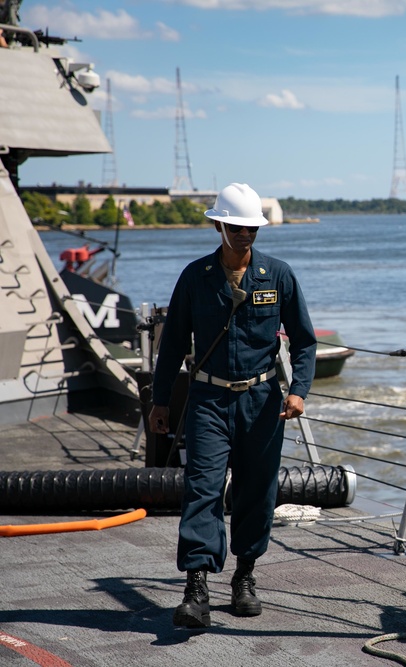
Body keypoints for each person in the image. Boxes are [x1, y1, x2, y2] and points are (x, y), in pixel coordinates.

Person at [148, 183, 317, 628]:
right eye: (238, 227)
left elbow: (304, 341)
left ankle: (244, 576)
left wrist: (299, 390)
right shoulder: (194, 277)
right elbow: (171, 348)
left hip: (262, 403)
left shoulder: (278, 276)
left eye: (252, 228)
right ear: (219, 225)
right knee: (202, 488)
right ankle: (196, 586)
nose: (246, 235)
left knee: (256, 492)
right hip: (208, 400)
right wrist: (160, 400)